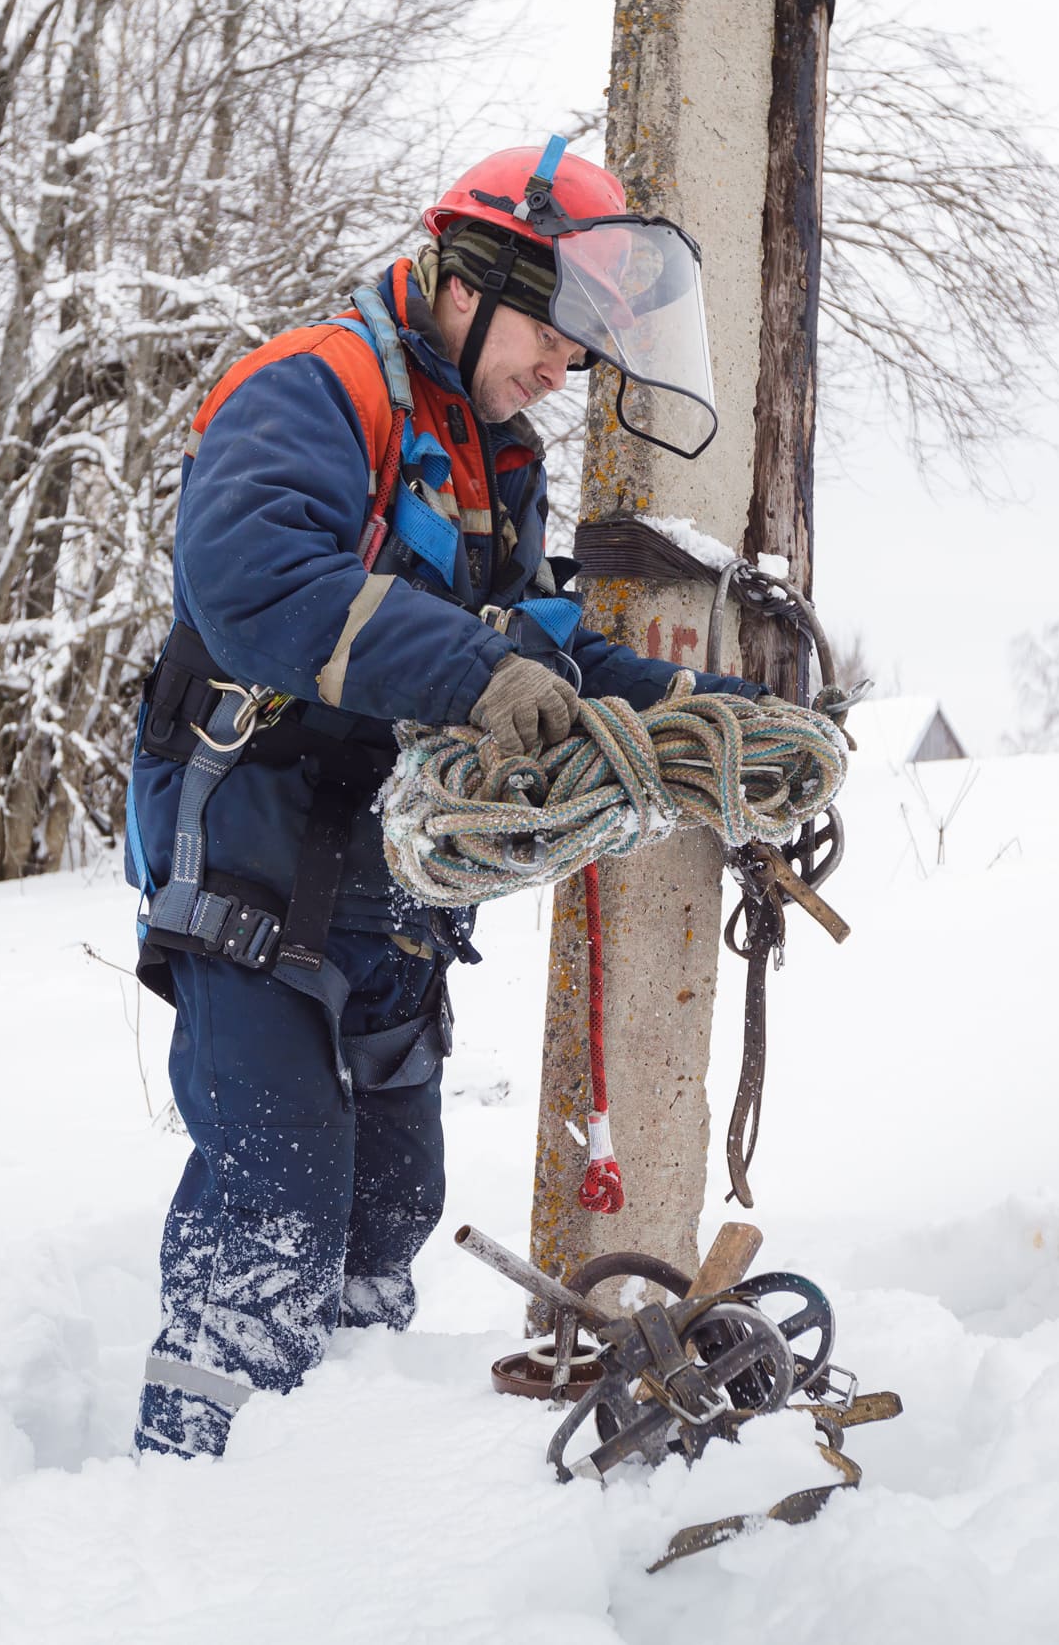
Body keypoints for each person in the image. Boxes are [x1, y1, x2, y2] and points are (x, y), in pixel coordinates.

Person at [124, 138, 759, 1458]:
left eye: (587, 349)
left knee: (392, 1203)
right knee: (278, 1204)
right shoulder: (318, 387)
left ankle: (340, 1504)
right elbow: (249, 583)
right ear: (467, 282)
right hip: (253, 854)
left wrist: (705, 720)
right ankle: (186, 1518)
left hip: (388, 892)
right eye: (555, 329)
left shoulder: (495, 463)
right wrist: (474, 670)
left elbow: (540, 651)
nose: (567, 369)